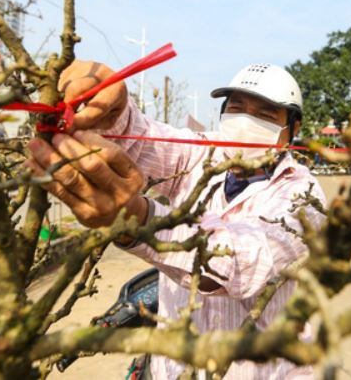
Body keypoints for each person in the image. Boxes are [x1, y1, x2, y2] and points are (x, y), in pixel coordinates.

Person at [26, 62, 326, 379]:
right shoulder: (201, 154)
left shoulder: (304, 196)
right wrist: (113, 112)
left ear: (293, 128)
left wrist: (140, 219)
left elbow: (240, 265)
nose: (245, 122)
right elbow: (144, 142)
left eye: (265, 115)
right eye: (237, 109)